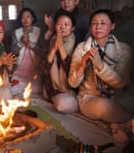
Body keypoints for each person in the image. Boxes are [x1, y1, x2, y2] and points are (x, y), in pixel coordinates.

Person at [68, 9, 134, 143]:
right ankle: (127, 121)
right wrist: (82, 65)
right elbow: (72, 83)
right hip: (90, 98)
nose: (98, 27)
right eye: (94, 23)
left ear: (113, 25)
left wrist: (100, 65)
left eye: (103, 23)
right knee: (104, 106)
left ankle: (118, 123)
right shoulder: (82, 48)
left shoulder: (123, 49)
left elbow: (121, 82)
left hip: (119, 95)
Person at [42, 9, 78, 113]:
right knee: (64, 104)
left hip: (69, 88)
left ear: (73, 28)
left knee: (67, 103)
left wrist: (61, 48)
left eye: (66, 24)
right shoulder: (50, 41)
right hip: (52, 89)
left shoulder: (78, 44)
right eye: (59, 24)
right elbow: (42, 70)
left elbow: (72, 72)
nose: (62, 27)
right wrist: (53, 50)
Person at [10, 7, 41, 95]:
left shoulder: (38, 31)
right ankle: (23, 85)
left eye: (28, 17)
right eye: (23, 18)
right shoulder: (16, 32)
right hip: (19, 69)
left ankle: (25, 86)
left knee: (36, 89)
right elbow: (13, 51)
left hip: (34, 69)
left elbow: (42, 51)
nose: (25, 20)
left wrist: (30, 44)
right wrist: (21, 42)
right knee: (13, 89)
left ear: (33, 18)